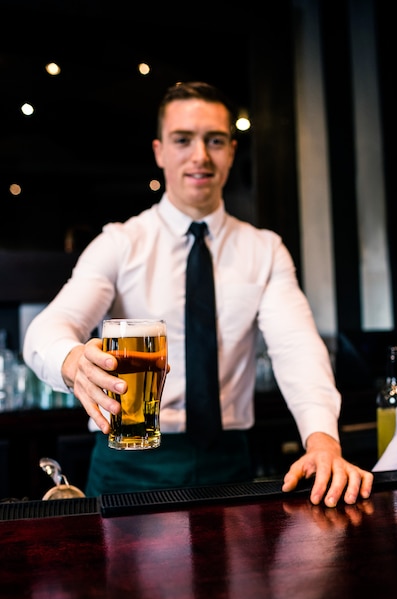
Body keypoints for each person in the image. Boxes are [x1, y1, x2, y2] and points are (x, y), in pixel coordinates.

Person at [23, 81, 374, 507]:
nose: (200, 156)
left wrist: (322, 441)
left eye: (215, 141)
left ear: (231, 151)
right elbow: (48, 328)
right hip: (127, 464)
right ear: (159, 152)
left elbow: (297, 348)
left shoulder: (265, 249)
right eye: (183, 140)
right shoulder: (120, 242)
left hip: (230, 463)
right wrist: (73, 360)